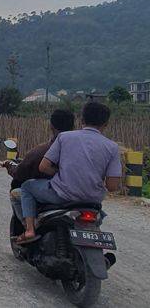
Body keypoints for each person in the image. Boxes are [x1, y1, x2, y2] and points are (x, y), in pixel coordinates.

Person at [15, 102, 123, 244]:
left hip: (62, 195)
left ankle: (29, 230)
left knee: (27, 187)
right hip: (93, 200)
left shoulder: (65, 137)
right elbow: (112, 186)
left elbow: (44, 167)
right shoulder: (112, 147)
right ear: (106, 124)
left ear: (82, 120)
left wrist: (61, 173)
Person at [3, 109, 75, 221]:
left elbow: (21, 172)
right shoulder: (81, 151)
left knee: (19, 191)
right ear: (73, 126)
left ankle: (28, 226)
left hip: (56, 194)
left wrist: (10, 167)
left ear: (51, 126)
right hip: (80, 195)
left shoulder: (41, 151)